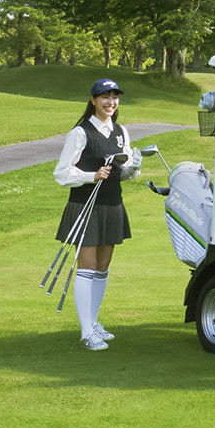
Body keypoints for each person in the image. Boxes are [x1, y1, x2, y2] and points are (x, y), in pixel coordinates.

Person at [53, 77, 141, 351]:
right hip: (85, 207)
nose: (111, 102)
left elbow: (122, 170)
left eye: (115, 97)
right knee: (88, 268)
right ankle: (86, 331)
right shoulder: (80, 133)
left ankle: (93, 322)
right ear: (93, 100)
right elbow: (61, 173)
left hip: (112, 205)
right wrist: (92, 175)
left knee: (102, 269)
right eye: (105, 97)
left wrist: (133, 167)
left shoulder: (120, 131)